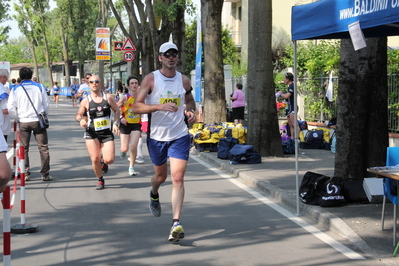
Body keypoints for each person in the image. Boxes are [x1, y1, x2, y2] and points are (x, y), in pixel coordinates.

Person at [132, 42, 196, 242]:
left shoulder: (183, 80)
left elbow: (190, 101)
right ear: (160, 57)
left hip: (179, 135)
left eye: (174, 54)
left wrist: (190, 111)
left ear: (177, 57)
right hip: (157, 137)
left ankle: (175, 223)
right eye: (167, 54)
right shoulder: (151, 79)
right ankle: (153, 193)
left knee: (177, 178)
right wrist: (158, 107)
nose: (171, 57)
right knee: (160, 177)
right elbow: (136, 107)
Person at [75, 75, 120, 190]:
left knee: (109, 160)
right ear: (88, 85)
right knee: (94, 159)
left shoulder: (108, 98)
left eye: (96, 81)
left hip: (106, 133)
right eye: (91, 82)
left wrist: (115, 123)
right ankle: (100, 179)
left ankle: (103, 161)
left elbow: (117, 110)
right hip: (91, 133)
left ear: (100, 84)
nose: (94, 83)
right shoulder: (86, 101)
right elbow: (78, 115)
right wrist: (80, 121)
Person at [7, 67, 52, 181]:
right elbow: (46, 104)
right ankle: (45, 174)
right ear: (31, 75)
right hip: (38, 120)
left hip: (23, 121)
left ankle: (25, 172)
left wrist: (17, 116)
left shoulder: (16, 89)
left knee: (24, 148)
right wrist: (44, 115)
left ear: (20, 76)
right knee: (43, 148)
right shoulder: (39, 86)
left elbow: (10, 107)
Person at [118, 76, 142, 176]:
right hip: (125, 124)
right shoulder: (125, 97)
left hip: (136, 124)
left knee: (133, 146)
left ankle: (131, 167)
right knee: (125, 148)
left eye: (136, 83)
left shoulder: (141, 97)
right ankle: (123, 151)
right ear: (128, 86)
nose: (134, 85)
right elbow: (115, 107)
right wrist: (120, 118)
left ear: (138, 85)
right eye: (132, 83)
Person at [277, 72, 300, 139]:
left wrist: (280, 93)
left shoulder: (292, 86)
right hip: (289, 107)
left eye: (284, 78)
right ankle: (292, 138)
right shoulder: (289, 86)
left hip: (292, 106)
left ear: (288, 79)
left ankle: (297, 139)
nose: (284, 80)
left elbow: (287, 96)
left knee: (294, 123)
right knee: (290, 124)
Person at [0, 70, 11, 141]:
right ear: (3, 77)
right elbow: (5, 110)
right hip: (1, 125)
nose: (6, 81)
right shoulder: (1, 90)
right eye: (6, 79)